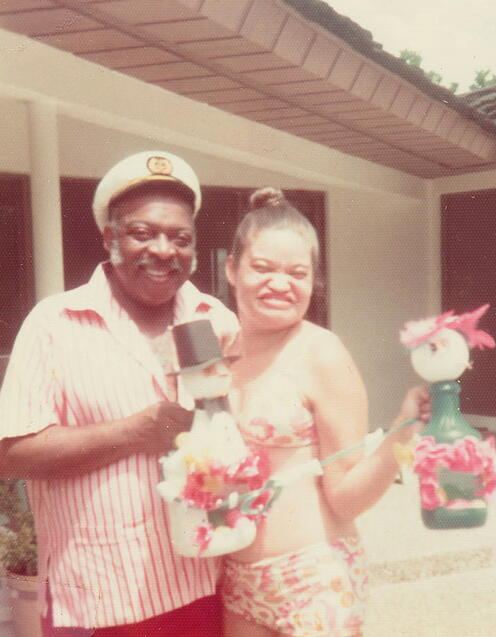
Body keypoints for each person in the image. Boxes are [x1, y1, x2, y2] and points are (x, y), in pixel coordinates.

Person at [0, 150, 238, 636]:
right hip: (96, 599)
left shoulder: (217, 320)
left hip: (205, 585)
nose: (164, 250)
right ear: (110, 238)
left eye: (180, 238)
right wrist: (132, 434)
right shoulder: (56, 323)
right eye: (143, 233)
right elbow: (10, 454)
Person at [221, 188, 430, 637]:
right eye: (262, 268)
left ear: (314, 281)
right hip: (236, 581)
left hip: (313, 577)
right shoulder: (219, 353)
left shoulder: (322, 354)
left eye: (298, 273)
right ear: (231, 270)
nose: (281, 283)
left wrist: (399, 433)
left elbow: (345, 496)